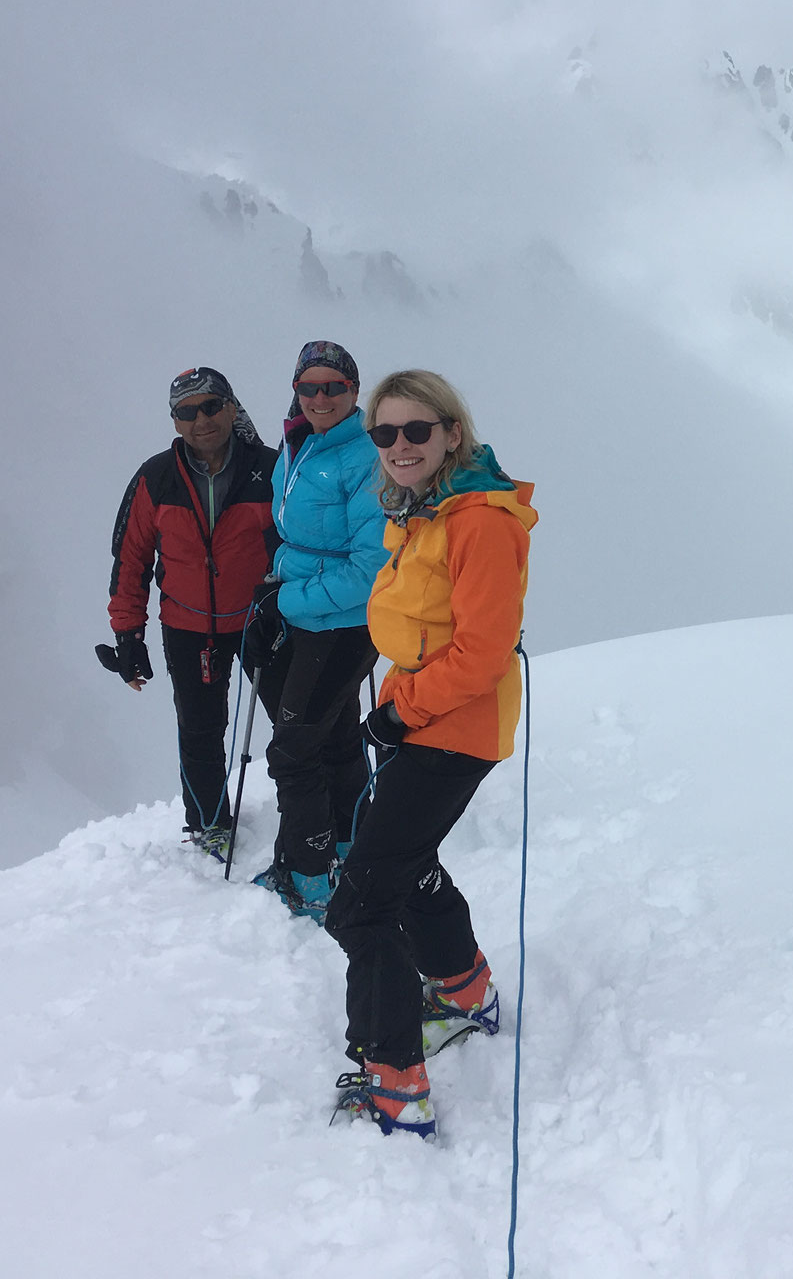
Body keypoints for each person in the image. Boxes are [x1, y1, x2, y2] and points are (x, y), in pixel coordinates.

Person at [328, 368, 535, 1139]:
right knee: (403, 862)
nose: (400, 446)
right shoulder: (425, 510)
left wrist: (398, 713)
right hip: (429, 722)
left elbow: (480, 653)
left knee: (360, 902)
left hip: (448, 730)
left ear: (453, 431)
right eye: (385, 433)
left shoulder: (478, 521)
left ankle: (392, 1080)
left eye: (417, 430)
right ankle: (461, 990)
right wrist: (395, 707)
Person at [101, 367, 277, 860]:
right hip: (188, 626)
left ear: (231, 407)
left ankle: (308, 812)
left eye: (211, 406)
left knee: (294, 722)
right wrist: (127, 637)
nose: (200, 420)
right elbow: (130, 559)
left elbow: (298, 544)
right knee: (200, 730)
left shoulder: (270, 468)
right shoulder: (155, 478)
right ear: (175, 421)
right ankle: (208, 825)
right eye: (186, 412)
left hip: (263, 620)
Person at [246, 341, 390, 922]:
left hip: (344, 623)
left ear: (356, 392)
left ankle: (310, 878)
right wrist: (276, 585)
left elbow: (369, 569)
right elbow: (294, 533)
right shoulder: (299, 444)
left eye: (335, 387)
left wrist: (286, 601)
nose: (321, 397)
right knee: (332, 737)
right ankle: (351, 845)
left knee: (294, 749)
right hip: (306, 609)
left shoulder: (366, 457)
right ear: (296, 391)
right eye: (310, 387)